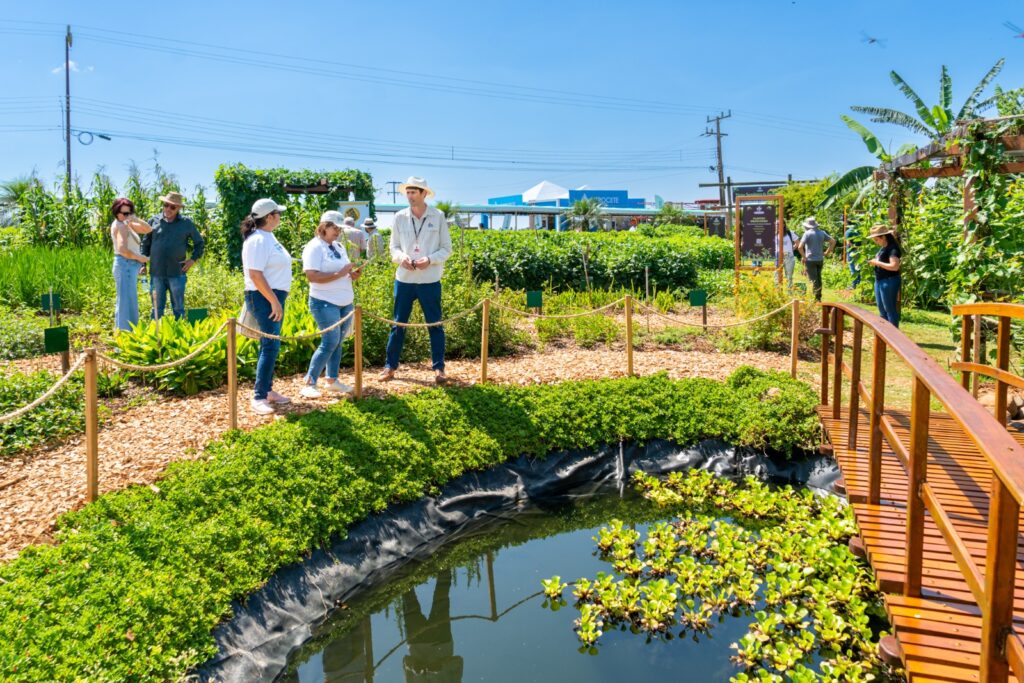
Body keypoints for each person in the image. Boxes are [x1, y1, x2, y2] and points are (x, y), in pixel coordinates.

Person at [381, 176, 452, 384]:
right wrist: (401, 258)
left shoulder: (438, 216)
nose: (410, 196)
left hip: (430, 279)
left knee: (435, 324)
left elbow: (447, 249)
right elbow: (393, 247)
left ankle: (439, 368)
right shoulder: (399, 217)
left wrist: (429, 260)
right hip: (404, 279)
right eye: (408, 192)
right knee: (397, 324)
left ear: (424, 194)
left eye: (414, 192)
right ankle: (390, 367)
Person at [300, 211, 361, 399]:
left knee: (338, 341)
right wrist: (341, 273)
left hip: (344, 302)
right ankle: (310, 382)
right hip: (324, 302)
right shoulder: (314, 247)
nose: (338, 231)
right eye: (335, 228)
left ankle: (332, 380)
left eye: (339, 228)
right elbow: (312, 276)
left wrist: (352, 274)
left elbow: (342, 272)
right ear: (323, 227)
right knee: (330, 342)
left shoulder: (338, 246)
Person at [241, 198, 292, 415]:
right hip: (263, 296)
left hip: (271, 295)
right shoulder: (258, 240)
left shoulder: (268, 237)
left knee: (270, 345)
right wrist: (273, 300)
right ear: (269, 217)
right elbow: (255, 274)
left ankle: (267, 390)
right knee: (270, 345)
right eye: (277, 213)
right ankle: (259, 396)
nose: (280, 216)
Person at [141, 191, 205, 320]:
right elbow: (145, 244)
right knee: (156, 308)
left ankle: (179, 336)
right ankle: (157, 336)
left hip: (177, 273)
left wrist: (192, 260)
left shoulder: (186, 223)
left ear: (179, 209)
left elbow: (199, 243)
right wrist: (142, 264)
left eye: (173, 207)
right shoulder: (153, 221)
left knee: (178, 308)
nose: (168, 209)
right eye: (166, 205)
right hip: (156, 273)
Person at [109, 198, 153, 331]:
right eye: (124, 213)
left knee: (130, 301)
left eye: (129, 212)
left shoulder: (126, 223)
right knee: (125, 303)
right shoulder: (121, 226)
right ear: (117, 212)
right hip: (125, 265)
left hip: (128, 265)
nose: (127, 215)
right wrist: (140, 258)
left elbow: (148, 229)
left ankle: (130, 335)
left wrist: (136, 219)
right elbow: (123, 250)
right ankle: (124, 339)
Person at [867, 224, 902, 328]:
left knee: (890, 309)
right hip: (880, 280)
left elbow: (894, 266)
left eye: (876, 240)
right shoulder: (884, 247)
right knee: (882, 309)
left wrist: (877, 263)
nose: (876, 242)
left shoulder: (893, 249)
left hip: (889, 281)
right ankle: (884, 335)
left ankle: (894, 336)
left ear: (883, 237)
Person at [796, 217, 835, 302]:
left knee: (813, 279)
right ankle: (818, 297)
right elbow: (833, 241)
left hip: (810, 260)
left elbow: (799, 247)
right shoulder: (822, 233)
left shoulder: (807, 234)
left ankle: (816, 299)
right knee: (818, 278)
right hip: (820, 259)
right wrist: (827, 252)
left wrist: (804, 257)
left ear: (808, 226)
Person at [776, 225, 797, 291]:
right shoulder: (774, 233)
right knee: (777, 275)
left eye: (778, 224)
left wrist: (791, 249)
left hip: (789, 257)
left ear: (783, 225)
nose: (777, 226)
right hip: (777, 257)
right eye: (776, 224)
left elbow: (798, 243)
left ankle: (789, 293)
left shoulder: (790, 233)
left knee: (789, 276)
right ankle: (778, 292)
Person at [845, 223, 861, 287]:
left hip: (851, 252)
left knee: (852, 268)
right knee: (858, 267)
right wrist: (859, 248)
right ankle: (859, 283)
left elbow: (848, 243)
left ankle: (854, 285)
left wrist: (854, 247)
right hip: (859, 251)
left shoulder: (848, 232)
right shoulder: (858, 231)